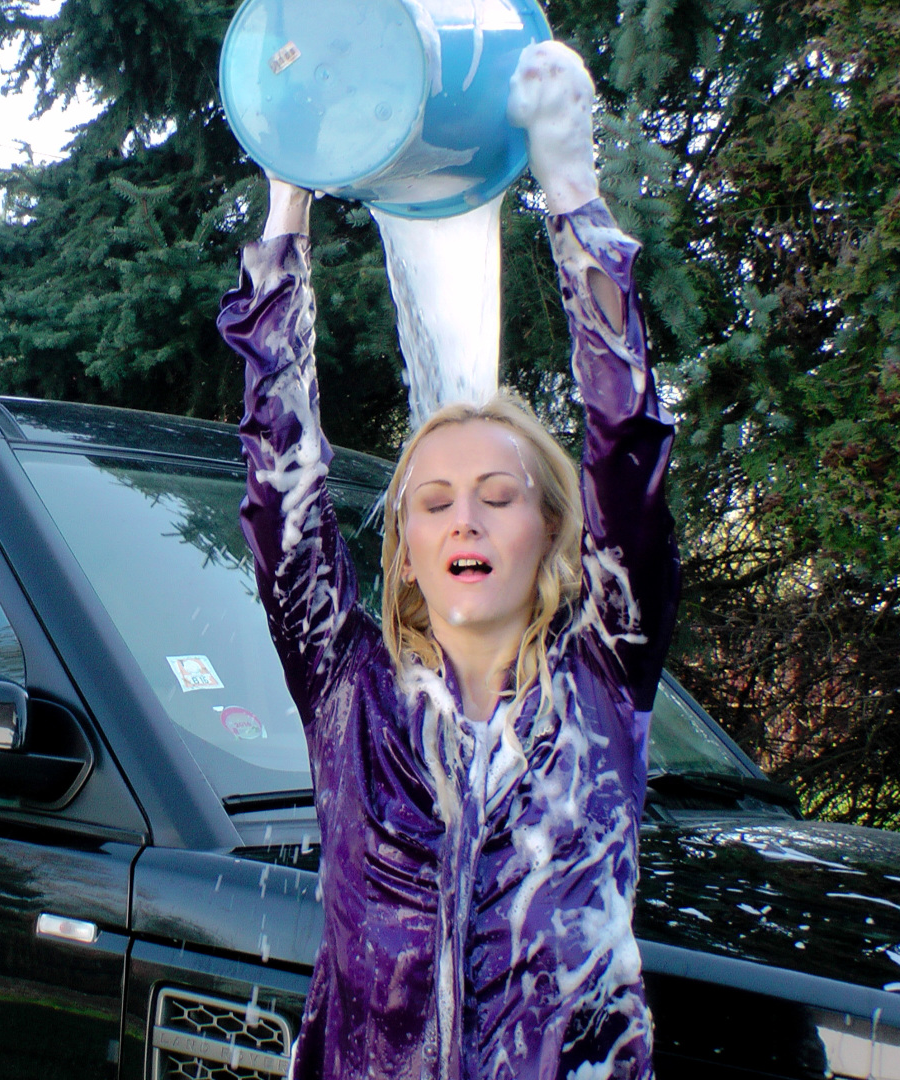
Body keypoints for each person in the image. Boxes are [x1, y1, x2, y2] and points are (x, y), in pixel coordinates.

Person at [220, 41, 679, 1080]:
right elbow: (279, 479)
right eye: (432, 502)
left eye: (497, 495)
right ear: (409, 551)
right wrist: (287, 214)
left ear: (553, 532)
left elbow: (628, 453)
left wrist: (572, 197)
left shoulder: (603, 681)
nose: (463, 518)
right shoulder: (348, 692)